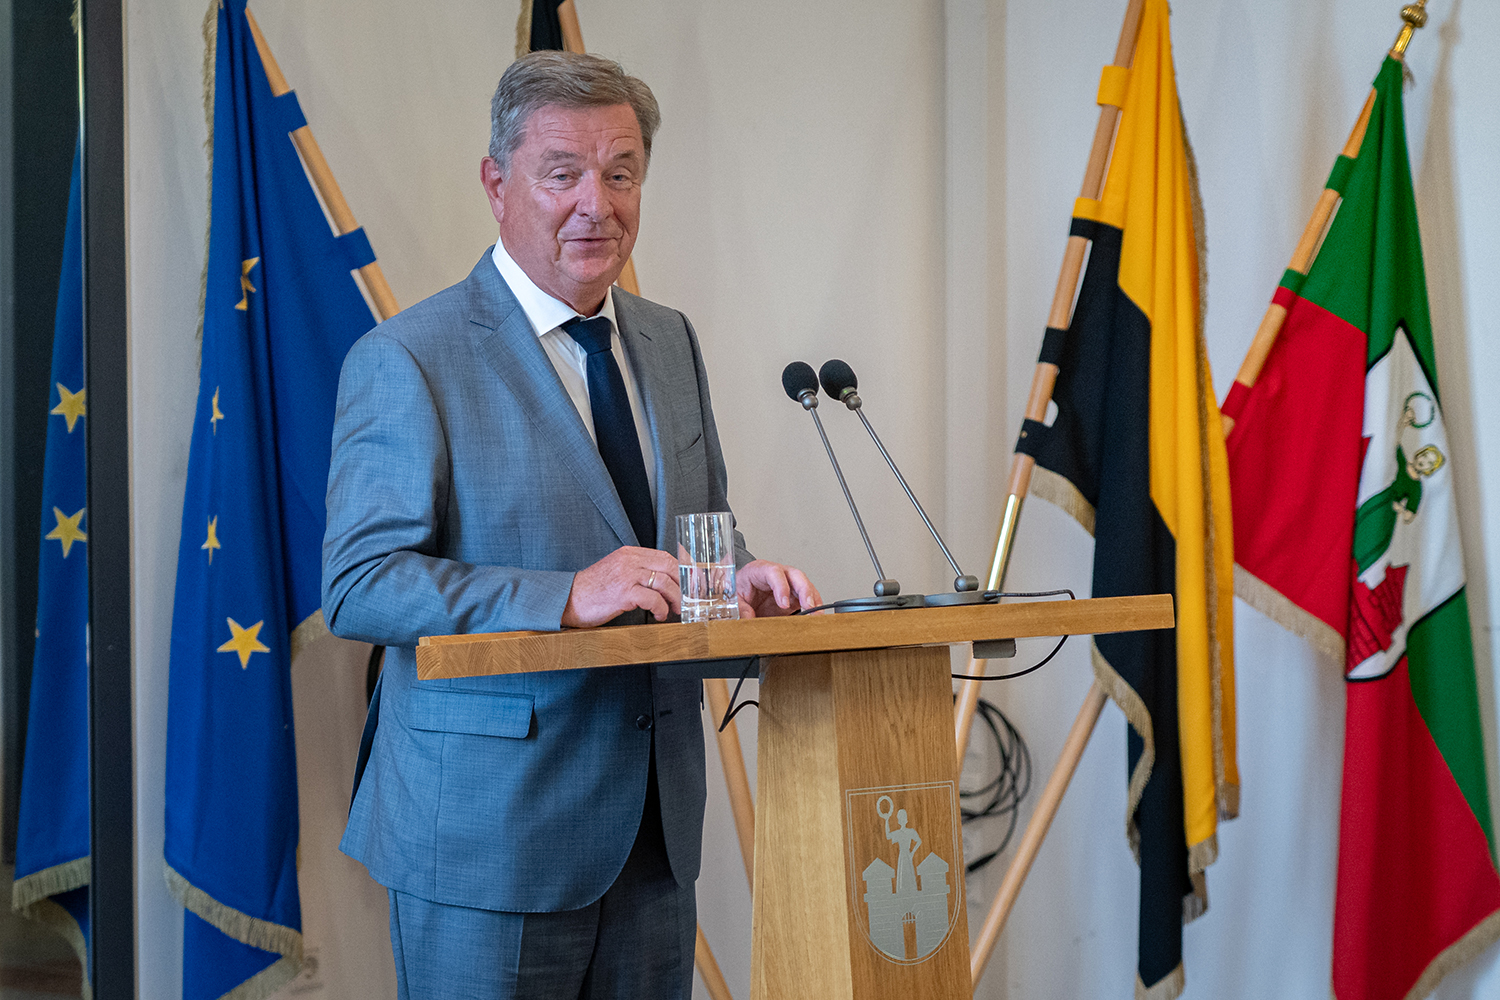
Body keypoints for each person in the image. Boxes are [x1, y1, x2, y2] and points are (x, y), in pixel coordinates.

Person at [321, 50, 820, 1000]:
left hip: (656, 834)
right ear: (496, 184)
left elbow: (696, 529)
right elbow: (359, 584)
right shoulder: (408, 356)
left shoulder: (668, 340)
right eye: (563, 174)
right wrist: (565, 598)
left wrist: (738, 579)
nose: (598, 203)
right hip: (490, 840)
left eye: (621, 173)